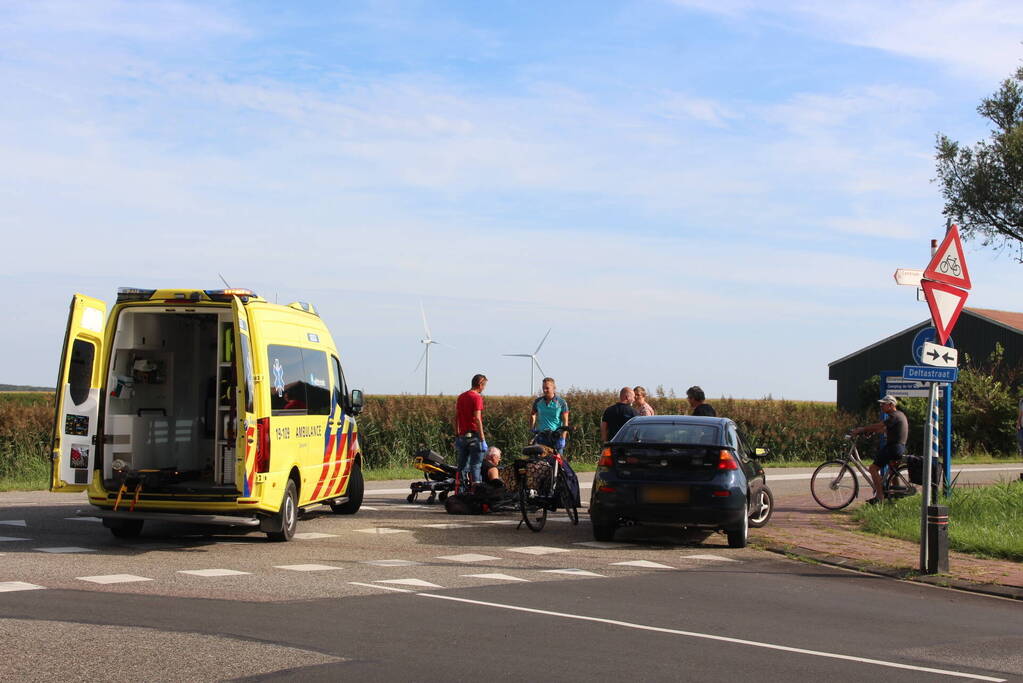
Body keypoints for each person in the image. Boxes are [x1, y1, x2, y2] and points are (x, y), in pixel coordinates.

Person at [852, 394, 909, 504]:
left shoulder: (894, 416)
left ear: (891, 405)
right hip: (899, 448)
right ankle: (896, 498)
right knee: (892, 472)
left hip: (893, 448)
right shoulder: (899, 415)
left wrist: (862, 429)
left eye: (883, 404)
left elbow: (880, 425)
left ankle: (879, 497)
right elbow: (883, 429)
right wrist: (870, 431)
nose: (881, 406)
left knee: (873, 469)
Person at [454, 374, 488, 491]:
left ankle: (461, 493)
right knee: (476, 466)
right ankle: (476, 493)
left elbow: (456, 417)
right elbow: (477, 419)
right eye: (484, 386)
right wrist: (483, 439)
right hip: (474, 436)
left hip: (463, 436)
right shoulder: (477, 397)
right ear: (480, 384)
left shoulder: (461, 397)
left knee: (462, 466)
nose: (484, 388)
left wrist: (457, 435)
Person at [530, 377, 570, 453]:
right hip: (541, 436)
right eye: (543, 388)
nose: (545, 390)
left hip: (556, 437)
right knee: (540, 462)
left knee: (558, 462)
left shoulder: (562, 403)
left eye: (547, 388)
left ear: (554, 388)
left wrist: (563, 438)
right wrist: (532, 428)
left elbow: (565, 423)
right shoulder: (538, 401)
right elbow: (533, 414)